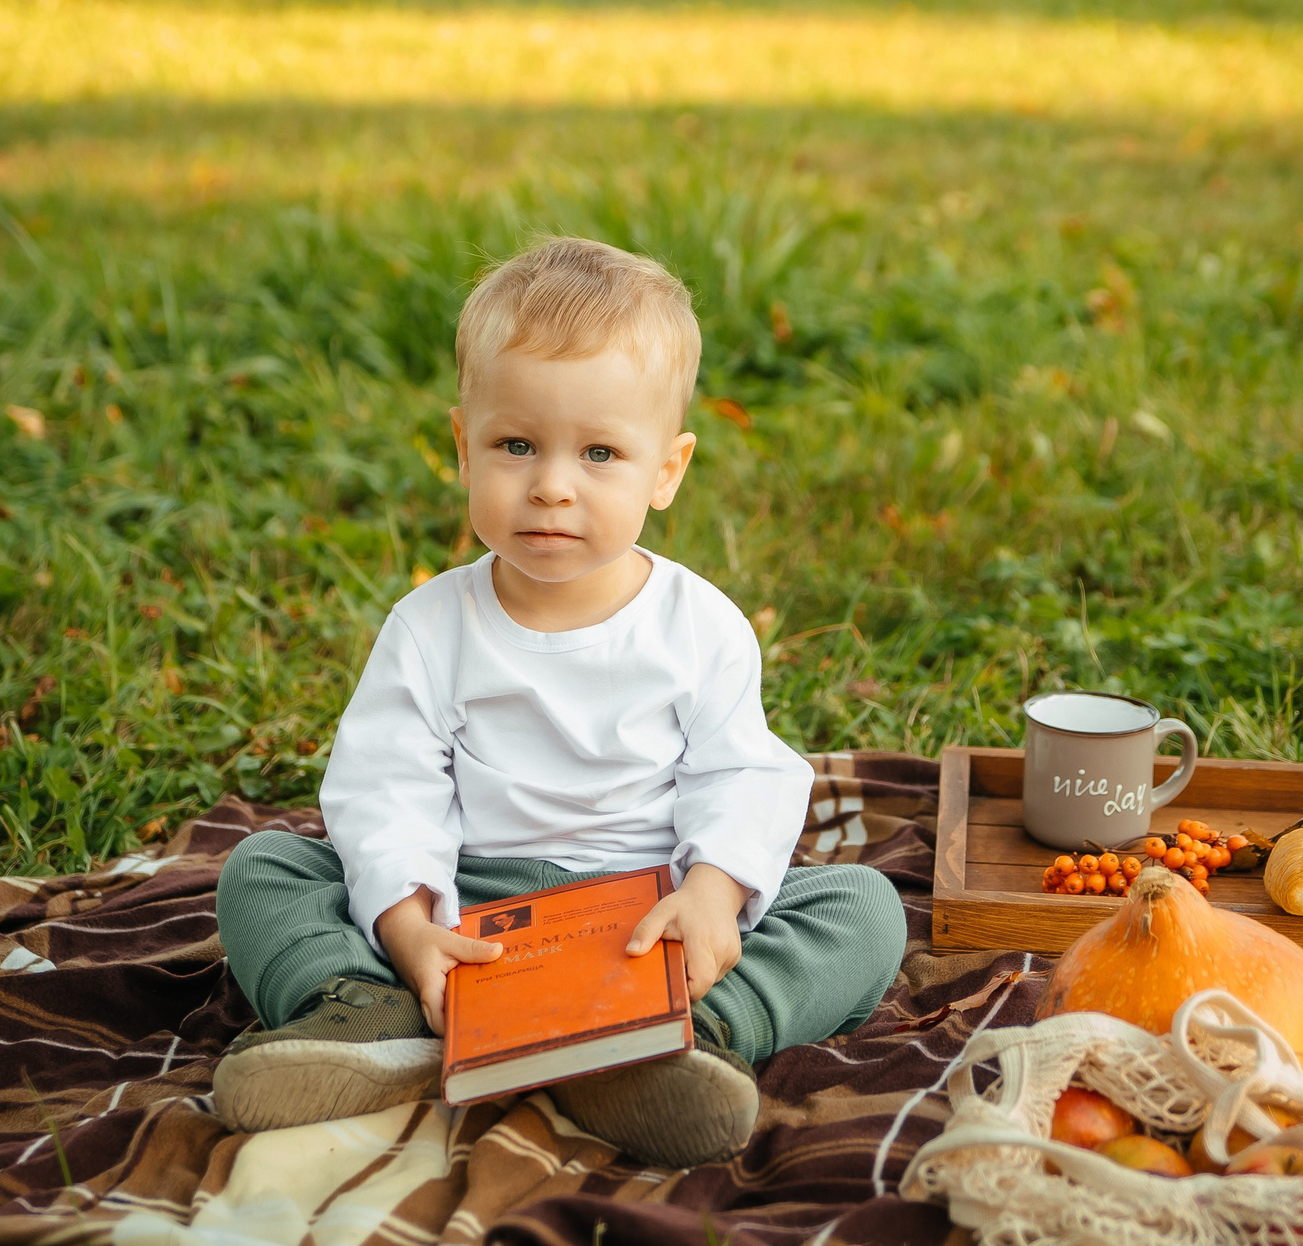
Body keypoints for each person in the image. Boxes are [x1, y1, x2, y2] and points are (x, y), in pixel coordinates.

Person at [208, 237, 907, 1167]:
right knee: (262, 869)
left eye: (601, 452)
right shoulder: (432, 626)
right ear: (465, 445)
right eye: (516, 444)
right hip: (476, 913)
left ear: (667, 470)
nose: (551, 483)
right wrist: (412, 927)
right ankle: (366, 1014)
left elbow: (739, 773)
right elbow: (386, 788)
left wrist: (710, 894)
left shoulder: (699, 625)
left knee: (863, 905)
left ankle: (691, 1035)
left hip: (642, 920)